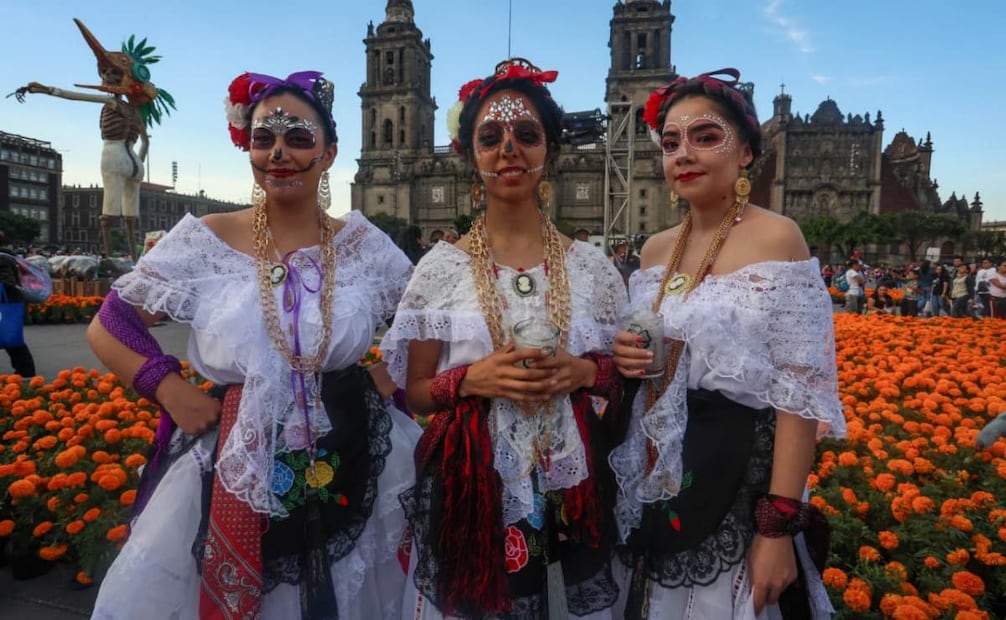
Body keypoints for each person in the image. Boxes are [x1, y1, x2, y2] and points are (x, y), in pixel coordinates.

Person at [86, 70, 419, 619]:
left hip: (358, 449)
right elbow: (110, 322)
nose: (279, 153)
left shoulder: (363, 243)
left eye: (299, 138)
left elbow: (423, 319)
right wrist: (169, 390)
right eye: (264, 138)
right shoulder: (206, 237)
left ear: (329, 152)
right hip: (232, 456)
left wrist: (385, 378)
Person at [381, 58, 627, 618]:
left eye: (527, 134)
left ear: (551, 151)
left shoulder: (593, 269)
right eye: (490, 137)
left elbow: (627, 376)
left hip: (576, 479)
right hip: (473, 480)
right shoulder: (439, 270)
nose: (508, 148)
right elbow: (415, 391)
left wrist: (585, 372)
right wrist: (471, 379)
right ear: (471, 156)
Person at [609, 69, 844, 619]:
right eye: (670, 142)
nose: (683, 153)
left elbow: (799, 393)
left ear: (745, 153)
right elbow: (653, 363)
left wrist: (778, 529)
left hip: (743, 476)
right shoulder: (655, 251)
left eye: (705, 136)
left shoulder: (776, 236)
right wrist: (625, 360)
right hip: (661, 467)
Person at [13, 19, 175, 260]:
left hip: (115, 153)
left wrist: (48, 89)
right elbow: (146, 143)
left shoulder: (113, 103)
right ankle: (133, 256)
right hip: (133, 159)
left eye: (112, 73)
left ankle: (109, 259)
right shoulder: (135, 113)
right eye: (106, 72)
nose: (107, 76)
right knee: (131, 216)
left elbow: (77, 97)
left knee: (109, 214)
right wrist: (138, 163)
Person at [0, 231, 36, 377]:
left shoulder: (2, 258)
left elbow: (7, 282)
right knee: (11, 337)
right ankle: (25, 370)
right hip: (10, 301)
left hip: (6, 302)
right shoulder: (8, 256)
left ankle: (26, 371)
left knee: (11, 338)